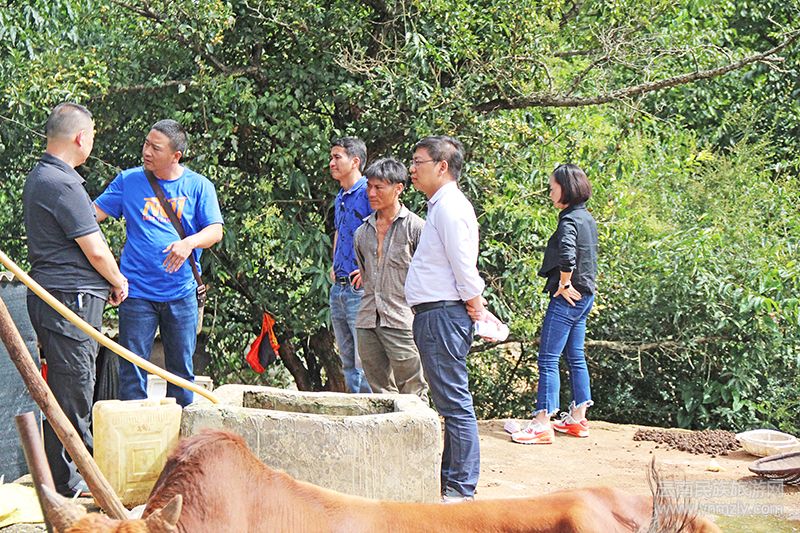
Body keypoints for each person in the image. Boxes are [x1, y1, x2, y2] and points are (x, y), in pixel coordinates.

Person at [23, 102, 128, 497]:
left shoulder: (44, 176)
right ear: (81, 138)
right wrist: (118, 280)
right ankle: (72, 481)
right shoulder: (61, 183)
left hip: (64, 295)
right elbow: (95, 249)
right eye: (93, 135)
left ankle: (68, 474)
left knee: (71, 385)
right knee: (74, 386)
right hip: (70, 298)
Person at [94, 119, 223, 407]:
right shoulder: (128, 181)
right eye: (146, 144)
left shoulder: (198, 186)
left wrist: (189, 243)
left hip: (181, 292)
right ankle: (134, 429)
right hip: (136, 293)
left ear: (176, 156)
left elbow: (215, 231)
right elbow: (90, 218)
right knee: (131, 371)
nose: (147, 151)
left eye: (156, 147)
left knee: (181, 374)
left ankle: (181, 432)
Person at [404, 136, 487, 503]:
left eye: (418, 162)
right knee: (450, 403)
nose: (412, 169)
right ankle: (452, 484)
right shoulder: (441, 206)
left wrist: (475, 304)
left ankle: (460, 489)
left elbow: (463, 265)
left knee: (454, 404)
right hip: (436, 314)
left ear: (442, 166)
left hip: (443, 314)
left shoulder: (450, 207)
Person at [511, 163, 598, 445]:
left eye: (553, 188)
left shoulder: (569, 220)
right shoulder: (587, 218)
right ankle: (577, 419)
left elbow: (568, 254)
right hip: (585, 296)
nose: (550, 192)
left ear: (566, 189)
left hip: (569, 297)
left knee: (548, 359)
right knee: (576, 356)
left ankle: (541, 423)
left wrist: (564, 283)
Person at [354, 158, 429, 403]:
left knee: (413, 389)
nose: (371, 193)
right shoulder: (362, 232)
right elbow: (366, 275)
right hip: (367, 318)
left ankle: (420, 428)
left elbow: (428, 275)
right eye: (369, 187)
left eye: (379, 187)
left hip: (403, 319)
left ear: (398, 188)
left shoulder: (416, 228)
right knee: (379, 392)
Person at [329, 137, 373, 393]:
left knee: (363, 359)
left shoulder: (369, 192)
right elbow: (339, 230)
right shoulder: (341, 196)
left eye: (337, 157)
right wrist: (334, 264)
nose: (332, 163)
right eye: (332, 157)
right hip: (340, 285)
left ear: (355, 161)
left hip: (360, 288)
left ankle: (368, 410)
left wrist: (370, 271)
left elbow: (383, 230)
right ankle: (354, 407)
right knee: (347, 359)